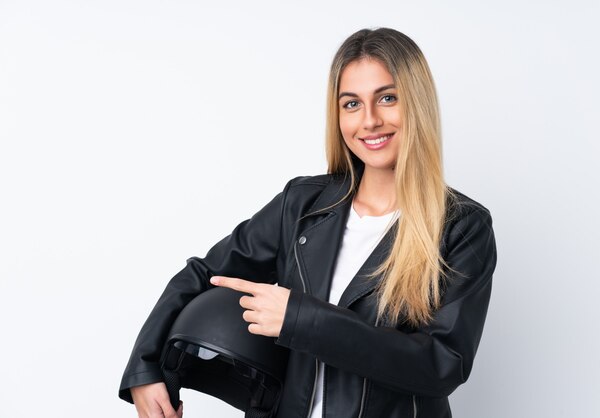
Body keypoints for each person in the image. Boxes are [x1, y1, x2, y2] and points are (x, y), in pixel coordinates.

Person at [119, 27, 497, 418]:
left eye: (387, 98)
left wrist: (299, 319)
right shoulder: (302, 205)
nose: (369, 120)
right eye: (351, 104)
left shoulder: (462, 226)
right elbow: (203, 274)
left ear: (417, 104)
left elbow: (442, 364)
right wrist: (146, 369)